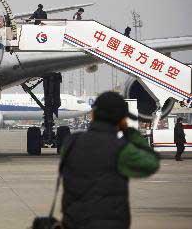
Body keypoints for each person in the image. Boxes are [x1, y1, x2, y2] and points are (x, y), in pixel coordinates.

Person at [60, 91, 160, 229]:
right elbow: (152, 164)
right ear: (121, 120)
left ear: (93, 114)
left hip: (73, 222)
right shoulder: (121, 149)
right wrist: (130, 132)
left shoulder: (71, 143)